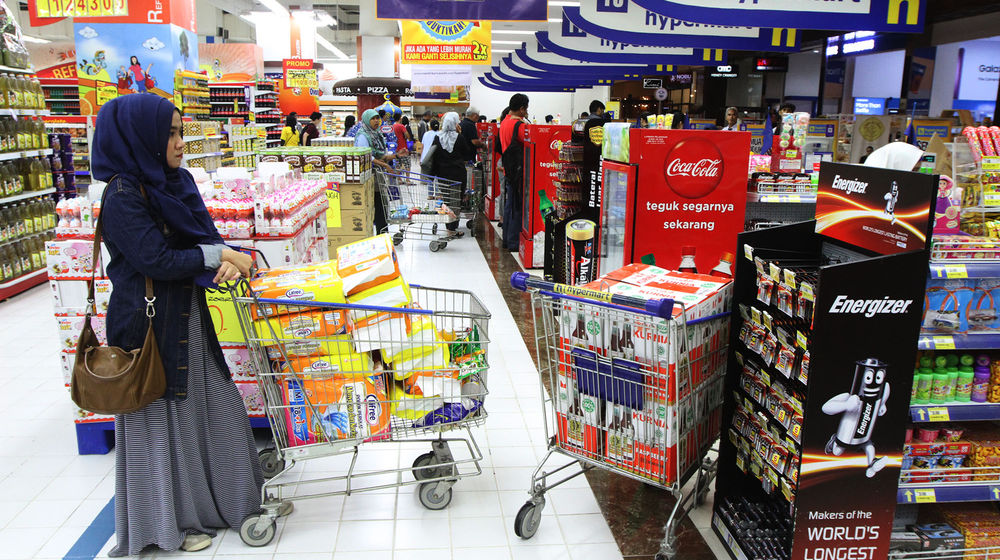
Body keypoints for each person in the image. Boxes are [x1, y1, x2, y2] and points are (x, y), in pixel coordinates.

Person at [90, 94, 279, 557]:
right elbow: (155, 258)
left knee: (216, 407)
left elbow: (202, 239)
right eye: (169, 134)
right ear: (141, 138)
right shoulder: (122, 195)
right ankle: (165, 526)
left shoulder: (177, 182)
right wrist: (217, 255)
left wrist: (225, 258)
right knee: (159, 427)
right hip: (149, 329)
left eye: (179, 132)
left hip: (188, 320)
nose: (179, 143)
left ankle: (233, 503)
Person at [424, 112, 471, 237]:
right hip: (458, 174)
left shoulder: (437, 137)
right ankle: (452, 228)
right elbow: (467, 155)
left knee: (447, 199)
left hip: (442, 174)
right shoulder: (459, 138)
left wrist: (432, 174)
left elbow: (433, 156)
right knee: (456, 200)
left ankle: (449, 227)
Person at [354, 109, 395, 234]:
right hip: (370, 176)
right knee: (378, 205)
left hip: (378, 174)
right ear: (367, 120)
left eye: (378, 118)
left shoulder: (376, 134)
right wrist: (384, 165)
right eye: (373, 118)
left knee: (381, 204)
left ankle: (383, 232)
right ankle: (382, 233)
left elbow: (379, 154)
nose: (376, 121)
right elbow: (367, 156)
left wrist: (396, 156)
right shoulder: (363, 135)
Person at [500, 93, 528, 252]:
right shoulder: (519, 126)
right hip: (518, 171)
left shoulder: (504, 122)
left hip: (508, 168)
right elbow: (531, 143)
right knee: (517, 207)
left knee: (510, 204)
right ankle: (514, 242)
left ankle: (507, 239)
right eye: (526, 109)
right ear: (522, 108)